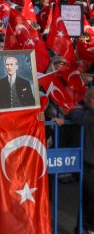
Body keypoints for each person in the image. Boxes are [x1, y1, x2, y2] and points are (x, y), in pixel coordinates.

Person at [68, 87, 94, 233]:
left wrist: (72, 109)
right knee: (87, 198)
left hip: (90, 163)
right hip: (90, 164)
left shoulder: (86, 114)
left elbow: (77, 115)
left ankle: (86, 227)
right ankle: (84, 228)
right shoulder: (87, 112)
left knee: (87, 198)